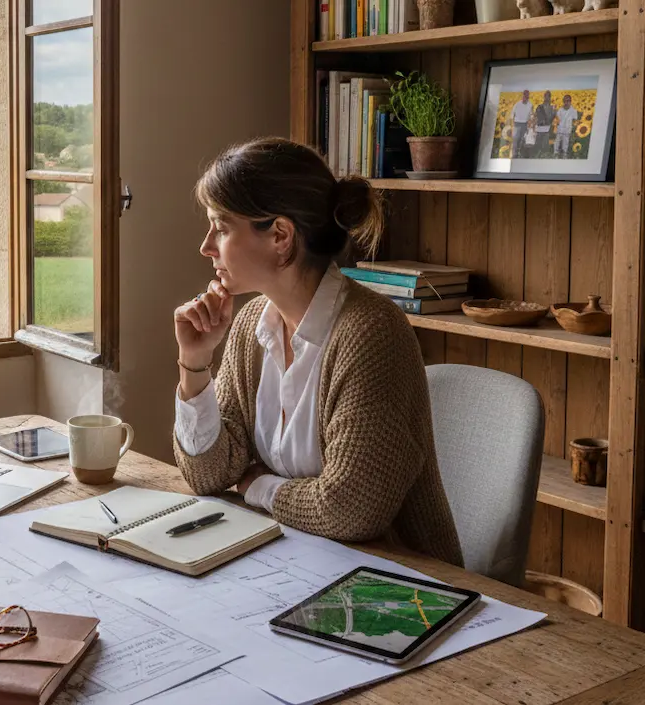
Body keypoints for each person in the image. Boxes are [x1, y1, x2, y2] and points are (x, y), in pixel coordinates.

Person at [172, 137, 464, 566]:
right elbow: (210, 475)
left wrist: (257, 486)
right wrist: (195, 363)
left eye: (222, 227)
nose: (206, 247)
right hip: (292, 564)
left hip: (397, 584)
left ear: (280, 236)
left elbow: (350, 509)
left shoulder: (371, 334)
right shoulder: (252, 325)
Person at [554, 94, 579, 158]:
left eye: (568, 101)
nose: (566, 102)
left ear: (570, 101)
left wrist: (575, 129)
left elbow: (575, 120)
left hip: (567, 130)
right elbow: (557, 119)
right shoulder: (560, 110)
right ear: (563, 101)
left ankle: (564, 155)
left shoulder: (573, 111)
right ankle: (555, 154)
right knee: (557, 143)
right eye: (565, 101)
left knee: (565, 144)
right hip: (560, 129)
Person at [511, 90, 533, 158]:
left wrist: (531, 121)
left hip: (525, 124)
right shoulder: (517, 104)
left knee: (523, 140)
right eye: (525, 95)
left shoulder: (530, 105)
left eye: (527, 95)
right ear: (522, 95)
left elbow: (531, 115)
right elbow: (512, 114)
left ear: (528, 96)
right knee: (515, 140)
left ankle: (521, 155)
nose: (526, 97)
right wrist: (512, 123)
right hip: (517, 124)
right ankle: (514, 155)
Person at [534, 90, 556, 158]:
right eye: (546, 96)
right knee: (538, 145)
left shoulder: (552, 107)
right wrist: (542, 121)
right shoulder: (539, 107)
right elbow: (537, 115)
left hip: (547, 130)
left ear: (550, 97)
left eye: (548, 96)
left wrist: (554, 112)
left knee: (545, 147)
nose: (547, 98)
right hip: (540, 129)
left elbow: (552, 118)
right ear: (544, 97)